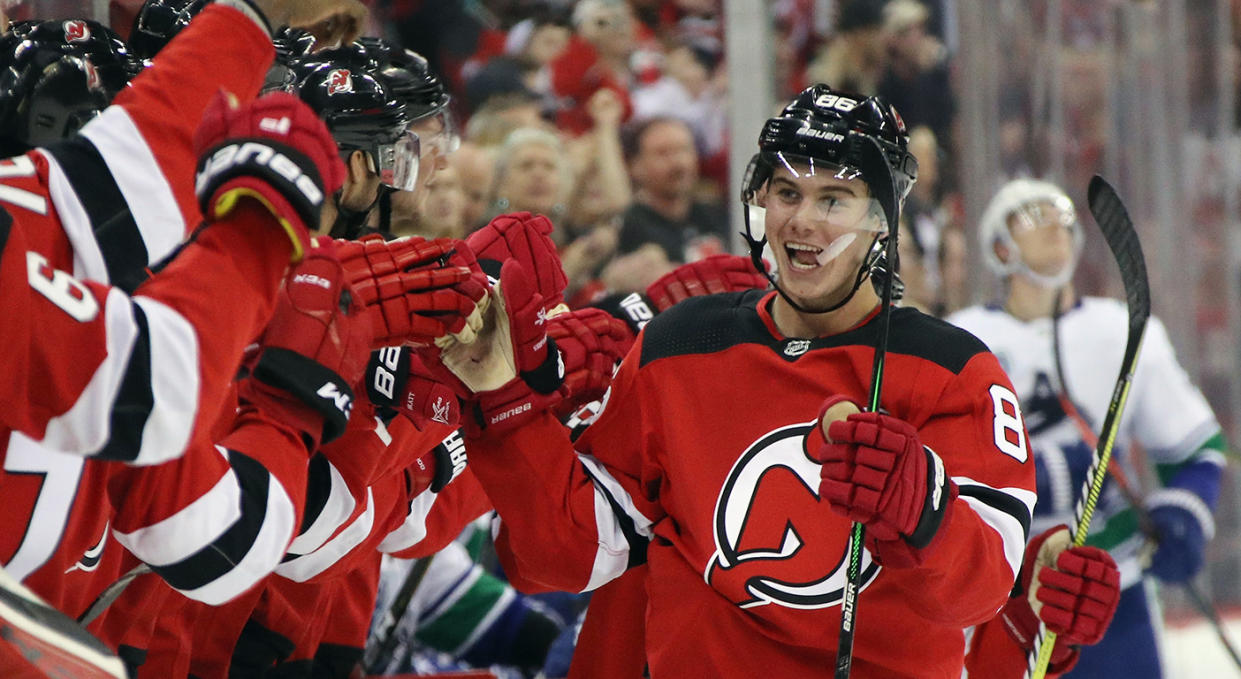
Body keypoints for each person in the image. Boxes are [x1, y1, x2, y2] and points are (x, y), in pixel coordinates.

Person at [445, 84, 1036, 678]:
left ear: (883, 217)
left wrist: (922, 505)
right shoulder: (679, 345)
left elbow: (980, 593)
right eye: (786, 192)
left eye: (834, 199)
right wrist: (505, 403)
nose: (802, 220)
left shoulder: (953, 371)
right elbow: (574, 551)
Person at [947, 178, 1227, 678]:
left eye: (1058, 212)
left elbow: (1195, 447)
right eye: (1031, 215)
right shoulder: (962, 341)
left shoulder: (1121, 327)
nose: (1054, 223)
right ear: (999, 247)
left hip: (1115, 584)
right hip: (1010, 599)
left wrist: (1184, 515)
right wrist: (1053, 473)